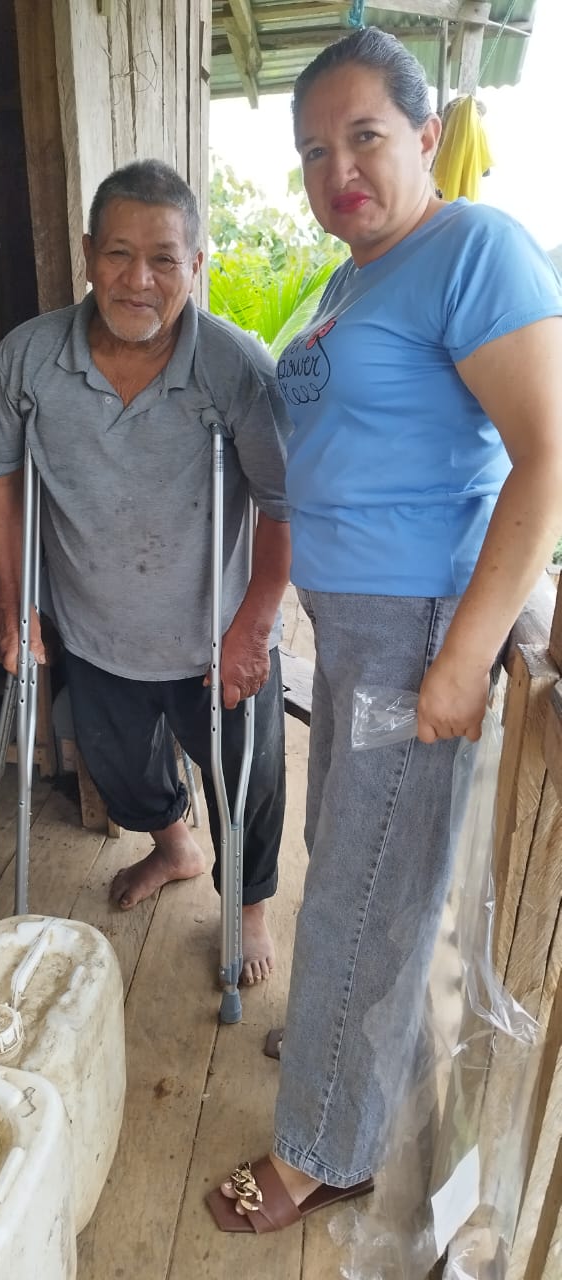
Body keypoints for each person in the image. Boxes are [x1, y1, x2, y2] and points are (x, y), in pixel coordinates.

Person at [208, 26, 562, 1232]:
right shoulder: (356, 278)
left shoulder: (473, 248)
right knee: (357, 866)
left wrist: (463, 654)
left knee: (362, 891)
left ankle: (324, 1148)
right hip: (356, 628)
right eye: (314, 151)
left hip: (417, 629)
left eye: (363, 136)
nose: (337, 169)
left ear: (425, 133)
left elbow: (545, 456)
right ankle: (349, 1064)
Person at [0, 160, 292, 986]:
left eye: (163, 258)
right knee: (117, 766)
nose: (138, 279)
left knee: (246, 778)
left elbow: (284, 504)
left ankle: (248, 905)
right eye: (118, 254)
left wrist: (255, 627)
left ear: (196, 265)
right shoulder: (26, 360)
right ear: (88, 253)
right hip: (95, 625)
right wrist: (13, 605)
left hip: (214, 636)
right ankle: (175, 846)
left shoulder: (236, 369)